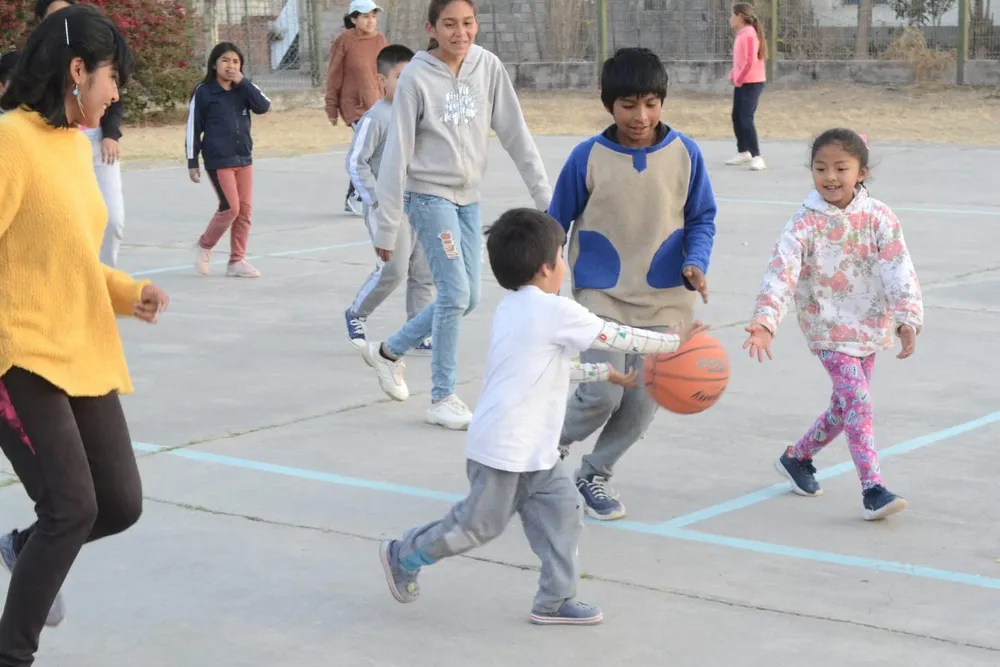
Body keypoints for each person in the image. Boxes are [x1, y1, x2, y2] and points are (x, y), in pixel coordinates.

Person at [378, 208, 708, 625]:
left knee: (564, 513)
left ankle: (555, 599)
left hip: (537, 451)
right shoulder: (553, 311)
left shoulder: (515, 307)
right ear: (547, 267)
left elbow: (547, 369)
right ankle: (404, 553)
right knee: (475, 528)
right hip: (502, 452)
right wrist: (670, 342)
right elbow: (615, 334)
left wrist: (600, 371)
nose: (565, 266)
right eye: (562, 256)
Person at [0, 5, 170, 665]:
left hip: (81, 347)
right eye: (112, 78)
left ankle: (22, 546)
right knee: (71, 506)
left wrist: (128, 292)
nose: (117, 92)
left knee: (119, 502)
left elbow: (66, 256)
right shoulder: (11, 141)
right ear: (77, 71)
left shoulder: (71, 145)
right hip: (20, 355)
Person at [362, 0, 551, 431]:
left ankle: (388, 352)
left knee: (470, 297)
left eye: (467, 23)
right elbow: (397, 153)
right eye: (449, 24)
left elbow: (515, 133)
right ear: (432, 28)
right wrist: (388, 223)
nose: (459, 33)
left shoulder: (487, 67)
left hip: (469, 197)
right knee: (453, 293)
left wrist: (546, 197)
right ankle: (442, 396)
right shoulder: (415, 77)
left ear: (476, 25)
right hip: (428, 197)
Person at [547, 47, 717, 521]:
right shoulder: (588, 157)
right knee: (604, 390)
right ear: (608, 103)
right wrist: (539, 278)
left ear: (662, 101)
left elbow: (702, 218)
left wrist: (696, 262)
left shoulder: (686, 153)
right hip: (602, 294)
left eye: (650, 103)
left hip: (665, 301)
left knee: (643, 401)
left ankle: (595, 472)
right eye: (627, 105)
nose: (640, 116)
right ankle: (542, 450)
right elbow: (555, 223)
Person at [743, 128, 923, 521]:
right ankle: (873, 489)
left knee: (845, 407)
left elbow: (899, 269)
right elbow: (781, 274)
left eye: (841, 167)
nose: (830, 176)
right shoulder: (803, 224)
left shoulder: (879, 217)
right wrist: (765, 321)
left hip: (870, 327)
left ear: (862, 171)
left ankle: (798, 457)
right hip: (827, 327)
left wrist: (907, 317)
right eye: (821, 168)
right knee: (858, 401)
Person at [344, 44, 434, 352]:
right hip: (387, 208)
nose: (407, 82)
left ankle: (418, 330)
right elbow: (356, 162)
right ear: (382, 81)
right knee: (395, 269)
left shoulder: (417, 113)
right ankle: (357, 313)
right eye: (399, 76)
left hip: (420, 202)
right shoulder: (376, 117)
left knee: (424, 270)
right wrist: (377, 200)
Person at [36, 0, 129, 266]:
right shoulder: (36, 66)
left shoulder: (97, 56)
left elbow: (113, 97)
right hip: (56, 146)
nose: (114, 93)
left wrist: (111, 134)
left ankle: (103, 282)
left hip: (96, 143)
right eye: (55, 17)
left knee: (112, 219)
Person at [186, 41, 271, 278]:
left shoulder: (243, 88)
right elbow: (193, 127)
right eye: (225, 60)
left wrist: (243, 83)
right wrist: (192, 161)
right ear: (214, 64)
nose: (230, 66)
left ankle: (237, 261)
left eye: (235, 61)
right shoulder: (204, 91)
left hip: (244, 157)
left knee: (244, 211)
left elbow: (264, 106)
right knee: (230, 208)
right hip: (218, 159)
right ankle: (204, 246)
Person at [325, 0, 388, 216]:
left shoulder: (380, 40)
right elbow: (334, 74)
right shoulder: (344, 41)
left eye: (373, 16)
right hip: (355, 107)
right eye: (365, 16)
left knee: (379, 151)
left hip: (378, 104)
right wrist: (331, 106)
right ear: (354, 19)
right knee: (366, 152)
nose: (370, 21)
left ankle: (356, 195)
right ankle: (356, 196)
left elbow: (387, 73)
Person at [725, 2, 767, 171]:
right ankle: (743, 152)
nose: (730, 19)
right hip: (743, 82)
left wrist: (739, 78)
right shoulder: (742, 34)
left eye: (732, 15)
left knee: (745, 117)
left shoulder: (749, 34)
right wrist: (733, 75)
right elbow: (740, 61)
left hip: (753, 82)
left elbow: (750, 61)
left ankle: (757, 156)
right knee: (736, 116)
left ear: (740, 17)